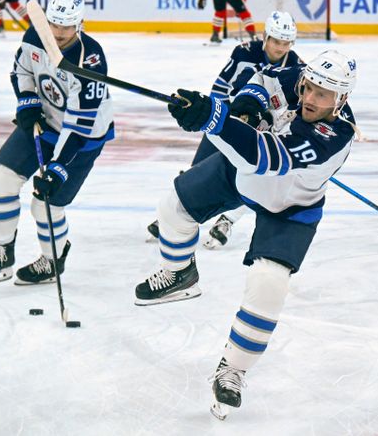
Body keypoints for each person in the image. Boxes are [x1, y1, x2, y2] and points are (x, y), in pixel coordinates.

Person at [134, 48, 359, 420]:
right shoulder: (296, 80)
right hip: (243, 178)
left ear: (342, 99)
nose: (311, 98)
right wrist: (247, 109)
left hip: (291, 205)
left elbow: (262, 157)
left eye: (324, 95)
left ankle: (233, 369)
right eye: (310, 88)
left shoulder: (333, 134)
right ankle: (179, 273)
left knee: (269, 282)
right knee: (172, 206)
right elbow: (260, 82)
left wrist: (214, 117)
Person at [0, 0, 115, 286]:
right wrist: (27, 101)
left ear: (80, 24)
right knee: (1, 181)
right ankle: (2, 252)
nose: (59, 33)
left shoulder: (90, 61)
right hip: (44, 122)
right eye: (54, 24)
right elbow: (21, 70)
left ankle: (52, 261)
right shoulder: (35, 36)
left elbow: (79, 127)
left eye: (66, 27)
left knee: (45, 204)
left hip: (83, 137)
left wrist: (59, 167)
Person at [146, 11, 301, 247]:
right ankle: (175, 214)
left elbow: (294, 110)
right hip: (227, 119)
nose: (280, 48)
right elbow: (220, 87)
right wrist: (215, 113)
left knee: (246, 179)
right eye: (276, 41)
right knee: (199, 169)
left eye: (286, 43)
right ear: (265, 36)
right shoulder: (244, 52)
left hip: (262, 132)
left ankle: (227, 220)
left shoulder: (297, 68)